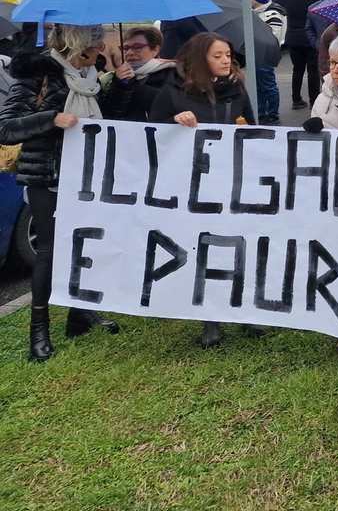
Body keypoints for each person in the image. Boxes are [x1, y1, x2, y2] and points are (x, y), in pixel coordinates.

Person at [0, 24, 124, 362]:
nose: (101, 56)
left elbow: (106, 117)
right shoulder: (38, 75)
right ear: (82, 49)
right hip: (48, 178)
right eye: (99, 49)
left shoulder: (87, 78)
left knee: (86, 243)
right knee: (50, 252)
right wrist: (51, 118)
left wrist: (121, 82)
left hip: (86, 175)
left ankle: (80, 314)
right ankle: (38, 331)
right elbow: (6, 127)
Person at [150, 33, 259, 349]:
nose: (227, 60)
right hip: (192, 184)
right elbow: (150, 136)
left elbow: (254, 127)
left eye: (228, 54)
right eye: (218, 55)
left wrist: (246, 131)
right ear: (200, 60)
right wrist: (175, 121)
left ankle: (245, 311)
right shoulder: (173, 91)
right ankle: (210, 319)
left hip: (233, 179)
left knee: (239, 244)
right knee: (206, 248)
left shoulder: (235, 87)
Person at [103, 25, 177, 121]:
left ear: (156, 49)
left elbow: (167, 105)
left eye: (137, 47)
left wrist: (133, 84)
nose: (129, 53)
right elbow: (109, 114)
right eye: (125, 48)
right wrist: (120, 85)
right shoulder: (113, 78)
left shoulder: (172, 74)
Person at [277, 0, 322, 109]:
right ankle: (314, 100)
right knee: (313, 71)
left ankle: (296, 99)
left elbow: (277, 3)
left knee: (297, 69)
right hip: (309, 39)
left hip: (293, 38)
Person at [249, 0, 284, 124]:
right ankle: (261, 113)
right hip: (257, 55)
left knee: (268, 86)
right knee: (258, 86)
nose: (248, 0)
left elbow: (272, 37)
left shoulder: (272, 14)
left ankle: (273, 114)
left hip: (265, 55)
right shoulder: (256, 13)